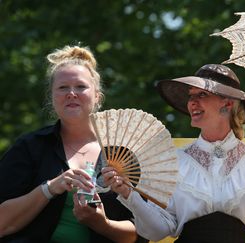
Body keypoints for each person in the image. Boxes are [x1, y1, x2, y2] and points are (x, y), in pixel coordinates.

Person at [103, 64, 245, 242]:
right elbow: (159, 231)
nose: (192, 102)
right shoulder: (174, 161)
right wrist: (128, 194)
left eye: (202, 94)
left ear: (227, 103)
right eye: (191, 96)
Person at [0, 45, 147, 243]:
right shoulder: (29, 147)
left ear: (97, 96)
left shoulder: (124, 154)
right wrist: (50, 188)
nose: (71, 93)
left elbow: (141, 233)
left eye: (80, 87)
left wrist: (102, 224)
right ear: (52, 98)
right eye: (62, 87)